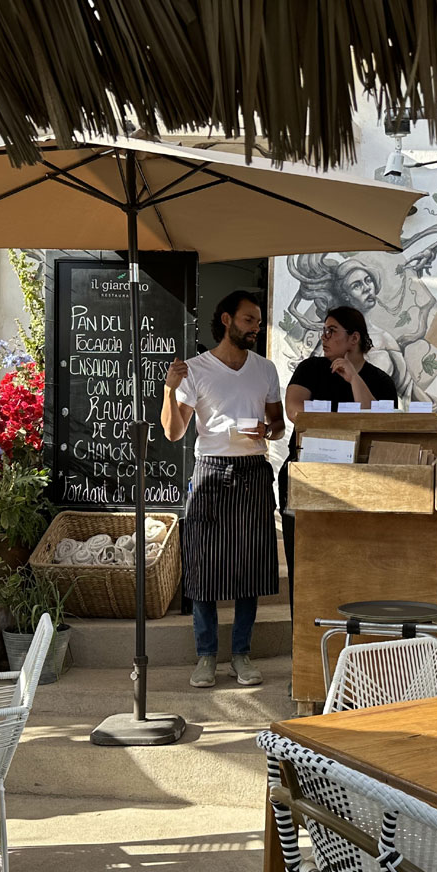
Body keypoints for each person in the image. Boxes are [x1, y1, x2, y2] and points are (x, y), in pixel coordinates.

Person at [162, 290, 284, 689]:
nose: (256, 328)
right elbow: (174, 431)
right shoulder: (196, 369)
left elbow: (278, 424)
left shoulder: (265, 369)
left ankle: (242, 655)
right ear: (227, 319)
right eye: (249, 320)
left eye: (259, 322)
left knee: (251, 564)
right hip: (211, 469)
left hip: (254, 470)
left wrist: (268, 430)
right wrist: (169, 389)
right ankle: (206, 656)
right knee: (203, 565)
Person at [278, 305, 399, 587]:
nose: (324, 337)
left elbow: (379, 422)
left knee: (349, 566)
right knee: (304, 569)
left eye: (332, 331)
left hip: (358, 483)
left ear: (354, 338)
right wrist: (344, 423)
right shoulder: (311, 369)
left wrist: (354, 378)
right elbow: (295, 411)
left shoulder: (380, 381)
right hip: (306, 476)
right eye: (323, 331)